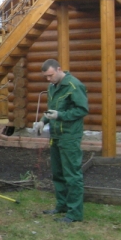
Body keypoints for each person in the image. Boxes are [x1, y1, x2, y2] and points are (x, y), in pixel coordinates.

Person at [33, 59, 89, 223]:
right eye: (46, 77)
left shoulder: (74, 86)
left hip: (70, 136)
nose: (48, 79)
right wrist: (43, 121)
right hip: (56, 135)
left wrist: (61, 115)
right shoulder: (52, 87)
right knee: (58, 173)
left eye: (50, 75)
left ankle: (75, 213)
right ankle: (62, 205)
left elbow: (82, 110)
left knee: (72, 175)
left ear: (59, 69)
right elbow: (51, 110)